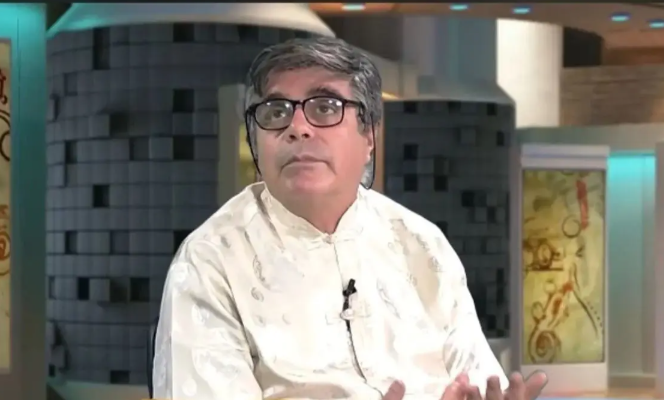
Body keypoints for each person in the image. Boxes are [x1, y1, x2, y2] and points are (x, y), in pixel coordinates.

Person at [152, 36, 547, 400]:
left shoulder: (422, 244)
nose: (297, 128)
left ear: (369, 136)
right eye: (276, 111)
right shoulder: (211, 260)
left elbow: (477, 377)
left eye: (325, 107)